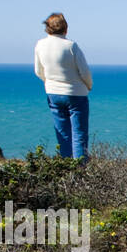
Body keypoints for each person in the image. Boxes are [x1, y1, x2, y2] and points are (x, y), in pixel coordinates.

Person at [34, 13, 93, 160]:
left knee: (62, 133)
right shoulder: (71, 46)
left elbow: (38, 71)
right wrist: (88, 86)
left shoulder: (40, 45)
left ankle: (66, 166)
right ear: (65, 28)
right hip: (76, 93)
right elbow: (84, 72)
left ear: (47, 29)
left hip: (52, 93)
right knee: (79, 134)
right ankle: (80, 168)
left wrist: (49, 83)